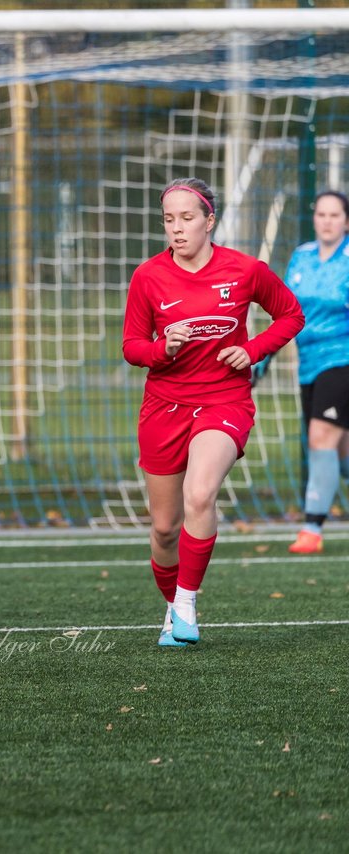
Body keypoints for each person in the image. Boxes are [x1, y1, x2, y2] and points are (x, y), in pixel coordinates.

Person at [122, 177, 304, 647]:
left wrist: (254, 349)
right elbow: (132, 346)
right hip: (163, 406)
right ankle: (171, 607)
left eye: (187, 218)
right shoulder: (148, 276)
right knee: (164, 530)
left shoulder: (245, 270)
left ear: (209, 221)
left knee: (199, 496)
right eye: (168, 219)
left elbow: (290, 314)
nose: (177, 229)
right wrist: (163, 349)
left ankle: (186, 604)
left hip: (224, 400)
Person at [282, 189, 349, 554]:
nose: (327, 221)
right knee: (340, 453)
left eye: (335, 215)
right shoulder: (301, 257)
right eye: (321, 214)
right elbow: (286, 310)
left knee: (320, 436)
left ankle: (312, 528)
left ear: (346, 221)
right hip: (307, 362)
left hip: (342, 359)